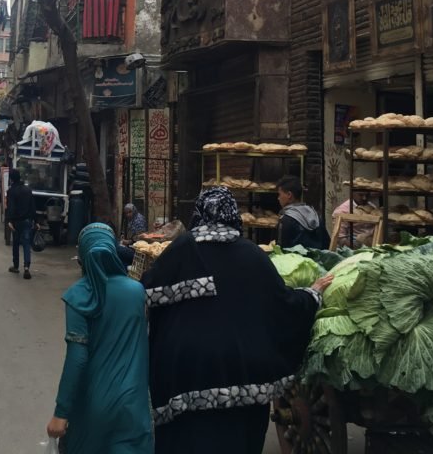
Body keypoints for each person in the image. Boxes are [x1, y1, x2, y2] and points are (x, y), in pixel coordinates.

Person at [141, 186, 330, 453]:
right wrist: (313, 294)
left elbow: (147, 295)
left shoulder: (181, 249)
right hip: (244, 368)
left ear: (199, 213)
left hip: (188, 369)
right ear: (233, 215)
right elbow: (284, 306)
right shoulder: (252, 255)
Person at [46, 223, 153, 453]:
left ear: (81, 258)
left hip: (94, 405)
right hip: (134, 403)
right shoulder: (136, 292)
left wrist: (61, 413)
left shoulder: (79, 295)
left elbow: (77, 357)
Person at [276, 175, 330, 249]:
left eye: (279, 194)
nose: (278, 198)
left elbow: (281, 248)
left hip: (296, 260)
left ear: (289, 195)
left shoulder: (286, 219)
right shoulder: (315, 214)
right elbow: (326, 244)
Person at [5, 169, 37, 279]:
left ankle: (16, 265)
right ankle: (27, 267)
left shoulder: (11, 191)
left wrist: (9, 220)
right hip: (27, 221)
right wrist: (36, 221)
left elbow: (10, 207)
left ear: (11, 179)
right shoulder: (28, 190)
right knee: (27, 244)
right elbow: (33, 207)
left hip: (16, 221)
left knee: (16, 243)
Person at [116, 203, 148, 267]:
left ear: (134, 211)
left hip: (138, 248)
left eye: (130, 212)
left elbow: (141, 236)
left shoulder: (139, 220)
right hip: (130, 245)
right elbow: (127, 229)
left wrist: (130, 241)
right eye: (126, 213)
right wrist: (123, 235)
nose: (128, 214)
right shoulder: (130, 219)